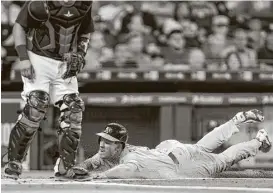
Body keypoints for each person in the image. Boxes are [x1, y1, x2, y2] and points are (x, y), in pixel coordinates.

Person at [3, 0, 94, 179]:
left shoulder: (84, 4)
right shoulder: (40, 2)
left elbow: (85, 31)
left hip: (65, 62)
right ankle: (14, 162)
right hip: (38, 57)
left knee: (74, 110)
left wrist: (81, 54)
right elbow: (19, 27)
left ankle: (65, 167)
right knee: (36, 106)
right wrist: (23, 58)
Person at [72, 109, 271, 179]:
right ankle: (234, 122)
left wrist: (99, 175)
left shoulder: (130, 159)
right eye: (102, 140)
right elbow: (95, 159)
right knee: (201, 147)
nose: (102, 145)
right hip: (171, 149)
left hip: (182, 164)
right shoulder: (120, 149)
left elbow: (124, 170)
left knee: (222, 160)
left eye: (108, 142)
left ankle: (258, 141)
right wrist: (81, 167)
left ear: (119, 146)